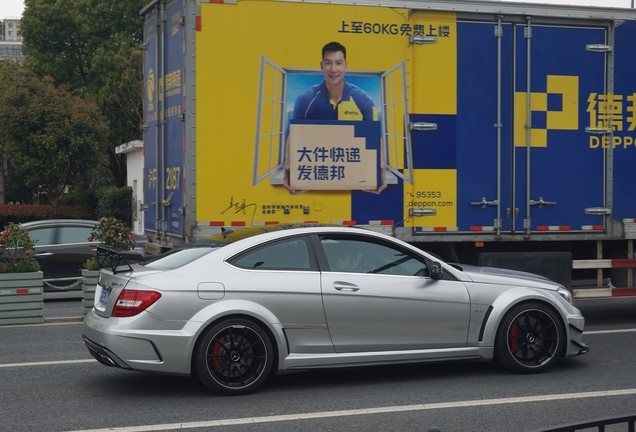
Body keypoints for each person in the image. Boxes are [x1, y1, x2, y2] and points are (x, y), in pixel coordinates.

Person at [283, 41, 386, 195]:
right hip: (317, 168)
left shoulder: (362, 100)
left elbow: (373, 137)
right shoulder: (305, 99)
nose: (333, 69)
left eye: (338, 63)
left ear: (346, 65)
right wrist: (289, 164)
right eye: (328, 63)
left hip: (351, 169)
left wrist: (381, 165)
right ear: (321, 65)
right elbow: (294, 134)